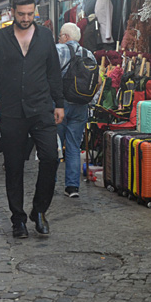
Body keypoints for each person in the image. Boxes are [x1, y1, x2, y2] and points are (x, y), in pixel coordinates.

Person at [0, 0, 64, 238]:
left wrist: (59, 103)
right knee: (14, 166)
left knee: (51, 158)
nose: (26, 18)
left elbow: (53, 71)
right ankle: (17, 218)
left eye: (30, 14)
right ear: (12, 12)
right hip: (11, 111)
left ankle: (39, 211)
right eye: (21, 14)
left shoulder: (45, 36)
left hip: (41, 108)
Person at [56, 23, 95, 198]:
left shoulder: (58, 50)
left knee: (55, 145)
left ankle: (50, 182)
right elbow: (97, 81)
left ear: (65, 37)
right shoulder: (89, 54)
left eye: (59, 36)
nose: (59, 39)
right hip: (81, 105)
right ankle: (72, 187)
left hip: (61, 104)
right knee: (73, 146)